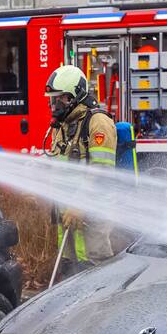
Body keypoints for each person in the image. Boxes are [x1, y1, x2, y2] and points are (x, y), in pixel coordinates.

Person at [43, 64, 117, 278]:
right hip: (67, 214)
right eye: (51, 99)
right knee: (69, 273)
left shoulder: (98, 123)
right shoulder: (63, 125)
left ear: (75, 96)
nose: (53, 104)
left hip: (92, 213)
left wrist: (80, 204)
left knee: (96, 270)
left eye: (59, 98)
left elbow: (101, 170)